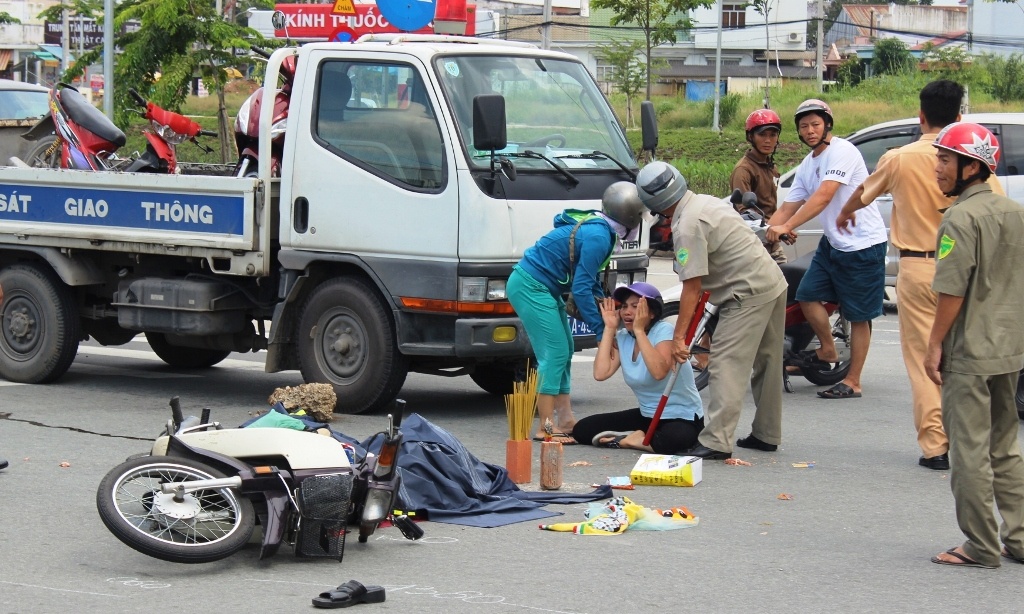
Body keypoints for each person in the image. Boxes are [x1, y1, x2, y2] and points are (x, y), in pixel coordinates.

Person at [835, 81, 1006, 471]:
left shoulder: (899, 157)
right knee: (962, 354)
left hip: (917, 269)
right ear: (959, 118)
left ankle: (935, 446)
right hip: (967, 271)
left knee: (922, 359)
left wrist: (845, 213)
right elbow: (994, 206)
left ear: (921, 115)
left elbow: (862, 193)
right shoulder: (970, 160)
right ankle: (970, 437)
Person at [635, 162, 787, 460]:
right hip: (771, 281)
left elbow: (692, 287)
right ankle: (766, 434)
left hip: (744, 293)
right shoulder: (706, 201)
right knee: (768, 362)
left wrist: (679, 337)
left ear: (655, 206)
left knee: (725, 366)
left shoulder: (686, 227)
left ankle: (717, 440)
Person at [924, 122, 1024, 569]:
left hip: (969, 351)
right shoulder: (1014, 212)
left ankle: (981, 545)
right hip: (1009, 346)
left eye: (945, 160)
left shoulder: (959, 218)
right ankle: (1019, 539)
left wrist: (933, 345)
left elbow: (952, 290)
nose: (938, 168)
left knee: (968, 450)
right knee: (1005, 446)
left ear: (971, 167)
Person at [766, 99, 888, 400]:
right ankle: (829, 348)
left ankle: (854, 380)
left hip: (863, 245)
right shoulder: (809, 164)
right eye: (804, 126)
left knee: (858, 315)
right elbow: (789, 205)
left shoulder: (842, 151)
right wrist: (768, 231)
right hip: (833, 243)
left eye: (815, 125)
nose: (809, 131)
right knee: (806, 295)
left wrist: (788, 226)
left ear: (827, 125)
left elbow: (823, 197)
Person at [507, 181, 645, 443]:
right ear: (630, 217)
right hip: (530, 286)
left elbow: (587, 281)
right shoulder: (600, 237)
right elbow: (580, 290)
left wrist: (604, 307)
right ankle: (545, 429)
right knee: (554, 353)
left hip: (543, 288)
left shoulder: (602, 230)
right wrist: (601, 330)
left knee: (566, 347)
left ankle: (566, 418)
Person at [572, 282, 704, 453]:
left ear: (652, 313)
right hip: (648, 416)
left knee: (672, 441)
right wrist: (609, 328)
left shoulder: (664, 331)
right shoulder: (623, 337)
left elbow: (658, 372)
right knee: (582, 430)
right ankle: (641, 438)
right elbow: (600, 373)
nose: (627, 311)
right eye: (624, 306)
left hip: (681, 417)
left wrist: (640, 331)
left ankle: (630, 440)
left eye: (636, 306)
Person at [731, 108, 786, 263]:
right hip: (754, 244)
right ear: (751, 137)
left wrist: (784, 227)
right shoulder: (744, 170)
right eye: (762, 135)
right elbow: (747, 214)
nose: (768, 140)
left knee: (787, 283)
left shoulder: (770, 167)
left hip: (771, 241)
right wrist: (772, 229)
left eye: (772, 135)